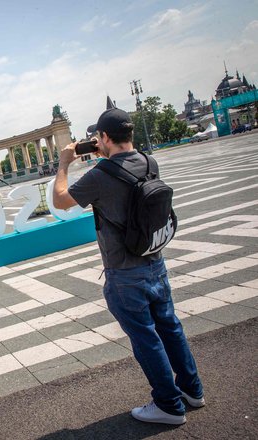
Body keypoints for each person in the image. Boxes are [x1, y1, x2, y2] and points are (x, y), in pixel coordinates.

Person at [52, 107, 204, 425]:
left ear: (105, 137)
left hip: (124, 272)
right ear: (130, 134)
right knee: (170, 328)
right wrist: (104, 155)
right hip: (155, 261)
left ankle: (168, 405)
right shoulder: (151, 162)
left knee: (145, 338)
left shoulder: (99, 176)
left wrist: (65, 163)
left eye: (98, 137)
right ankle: (192, 390)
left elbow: (61, 200)